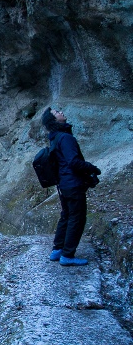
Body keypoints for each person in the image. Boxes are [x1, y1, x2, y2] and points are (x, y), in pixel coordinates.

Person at [41, 107, 101, 266]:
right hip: (73, 184)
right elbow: (74, 162)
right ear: (54, 120)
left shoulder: (54, 138)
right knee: (77, 218)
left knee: (66, 215)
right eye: (57, 112)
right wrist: (92, 168)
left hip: (63, 184)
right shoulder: (66, 138)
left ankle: (57, 250)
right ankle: (67, 255)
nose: (61, 112)